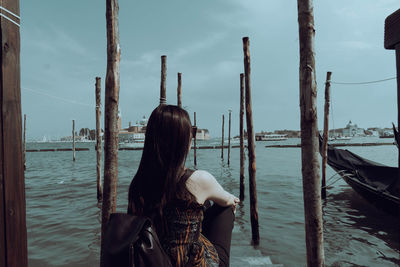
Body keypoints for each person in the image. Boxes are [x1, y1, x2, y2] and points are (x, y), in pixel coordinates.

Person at [128, 105, 239, 267]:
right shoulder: (199, 179)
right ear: (182, 139)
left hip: (152, 259)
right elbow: (228, 200)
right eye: (191, 132)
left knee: (200, 205)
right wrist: (231, 203)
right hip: (188, 263)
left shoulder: (137, 183)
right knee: (225, 208)